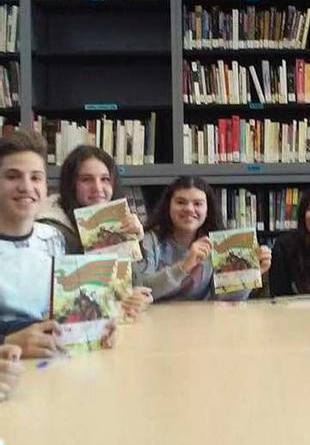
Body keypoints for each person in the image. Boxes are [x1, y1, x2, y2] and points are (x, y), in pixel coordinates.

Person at [0, 130, 114, 358]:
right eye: (13, 176)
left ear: (45, 186)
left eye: (36, 177)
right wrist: (7, 340)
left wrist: (97, 325)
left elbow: (67, 308)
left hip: (55, 363)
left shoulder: (54, 238)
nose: (26, 186)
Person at [37, 145, 152, 319]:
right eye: (86, 179)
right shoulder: (51, 229)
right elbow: (64, 300)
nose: (98, 188)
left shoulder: (112, 221)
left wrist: (133, 242)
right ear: (71, 185)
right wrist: (117, 303)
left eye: (105, 179)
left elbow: (131, 286)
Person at [134, 176, 271, 301]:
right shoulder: (150, 240)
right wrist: (184, 266)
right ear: (168, 206)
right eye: (181, 202)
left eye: (198, 204)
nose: (189, 209)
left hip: (204, 322)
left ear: (207, 210)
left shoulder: (219, 244)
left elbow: (225, 300)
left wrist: (248, 275)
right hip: (156, 321)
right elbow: (142, 288)